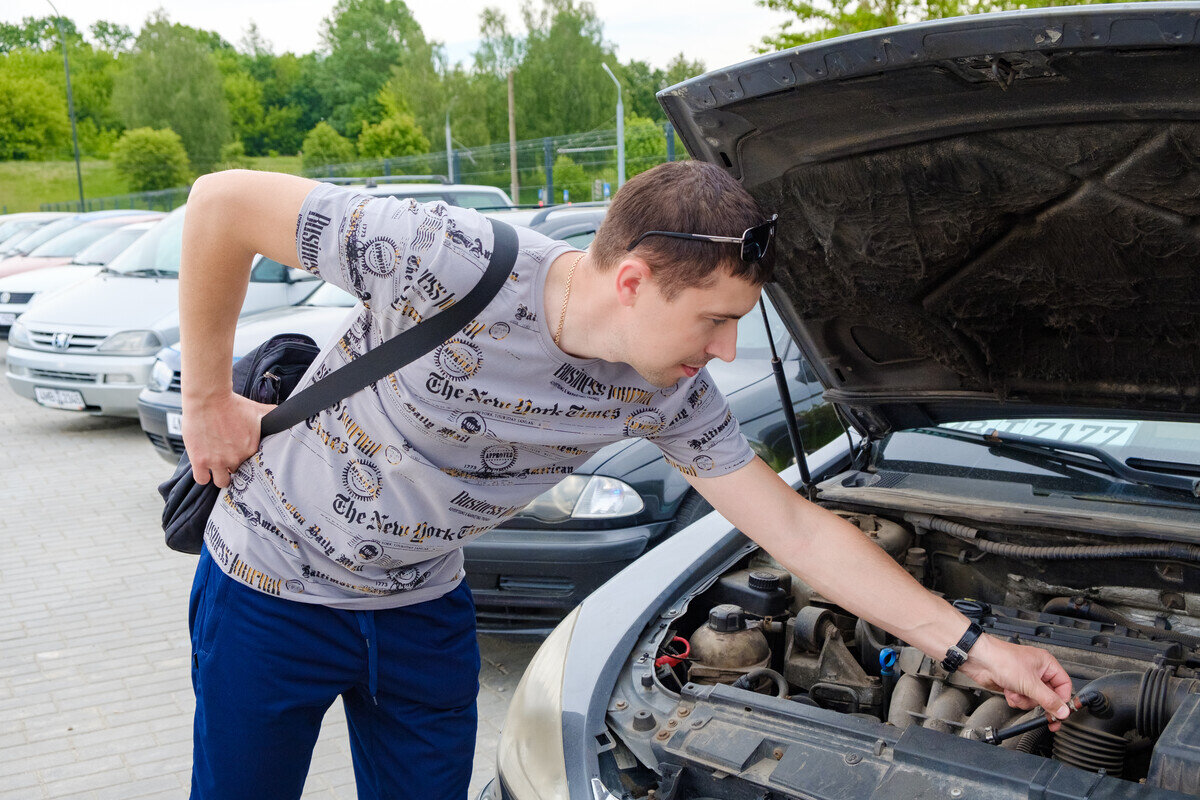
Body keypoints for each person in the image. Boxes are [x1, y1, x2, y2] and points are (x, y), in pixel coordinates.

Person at [178, 162, 1073, 800]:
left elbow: (794, 532)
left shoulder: (668, 394)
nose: (724, 352)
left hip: (423, 612)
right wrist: (208, 395)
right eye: (715, 321)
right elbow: (220, 204)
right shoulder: (443, 256)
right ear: (636, 281)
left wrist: (978, 652)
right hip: (271, 593)